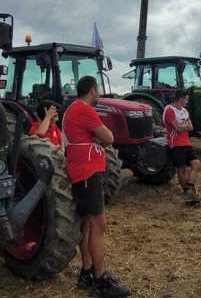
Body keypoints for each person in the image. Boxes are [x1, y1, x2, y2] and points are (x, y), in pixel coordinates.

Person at [61, 76, 130, 297]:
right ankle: (100, 279)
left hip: (83, 171)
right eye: (98, 90)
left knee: (88, 225)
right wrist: (99, 138)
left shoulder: (74, 109)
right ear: (92, 90)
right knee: (98, 224)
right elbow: (109, 137)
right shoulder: (84, 109)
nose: (99, 93)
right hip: (87, 172)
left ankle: (87, 271)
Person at [164, 90, 201, 204]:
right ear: (180, 99)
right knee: (181, 169)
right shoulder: (169, 109)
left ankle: (190, 186)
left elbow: (191, 127)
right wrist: (183, 126)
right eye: (186, 99)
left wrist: (182, 126)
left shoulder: (185, 111)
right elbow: (177, 128)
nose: (187, 101)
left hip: (186, 142)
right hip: (175, 143)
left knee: (196, 164)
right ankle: (188, 192)